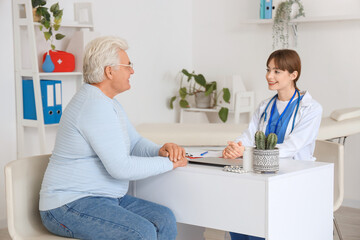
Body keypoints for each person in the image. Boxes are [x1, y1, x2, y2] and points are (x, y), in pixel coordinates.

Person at [39, 36, 188, 240]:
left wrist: (160, 150)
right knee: (141, 232)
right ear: (109, 71)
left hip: (106, 199)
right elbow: (121, 168)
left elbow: (134, 142)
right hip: (68, 205)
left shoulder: (109, 103)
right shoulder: (93, 105)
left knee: (163, 219)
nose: (132, 71)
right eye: (127, 66)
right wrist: (169, 164)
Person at [222, 49, 322, 240]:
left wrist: (248, 151)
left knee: (261, 224)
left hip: (292, 176)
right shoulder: (264, 106)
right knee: (238, 216)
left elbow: (293, 146)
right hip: (261, 174)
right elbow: (249, 135)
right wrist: (235, 146)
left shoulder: (311, 108)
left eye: (277, 71)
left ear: (293, 75)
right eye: (268, 70)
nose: (269, 76)